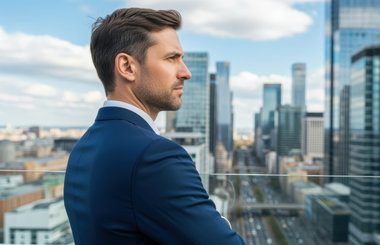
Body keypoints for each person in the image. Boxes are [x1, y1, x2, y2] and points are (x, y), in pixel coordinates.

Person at [63, 8, 245, 245]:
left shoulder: (83, 148)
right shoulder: (155, 157)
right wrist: (220, 222)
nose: (186, 72)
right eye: (172, 58)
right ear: (127, 67)